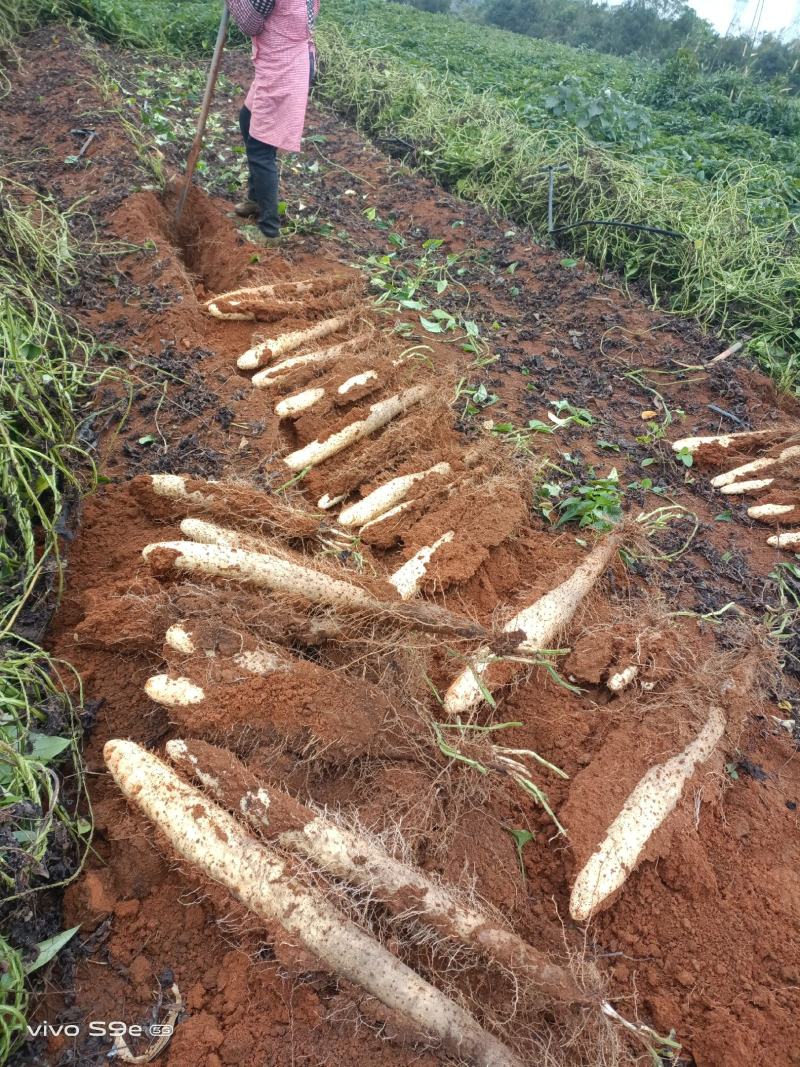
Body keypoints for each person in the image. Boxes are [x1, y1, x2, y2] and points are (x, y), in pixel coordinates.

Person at [227, 0, 319, 246]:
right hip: (283, 60)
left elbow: (250, 23)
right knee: (247, 120)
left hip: (284, 68)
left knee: (261, 147)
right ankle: (255, 198)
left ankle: (269, 231)